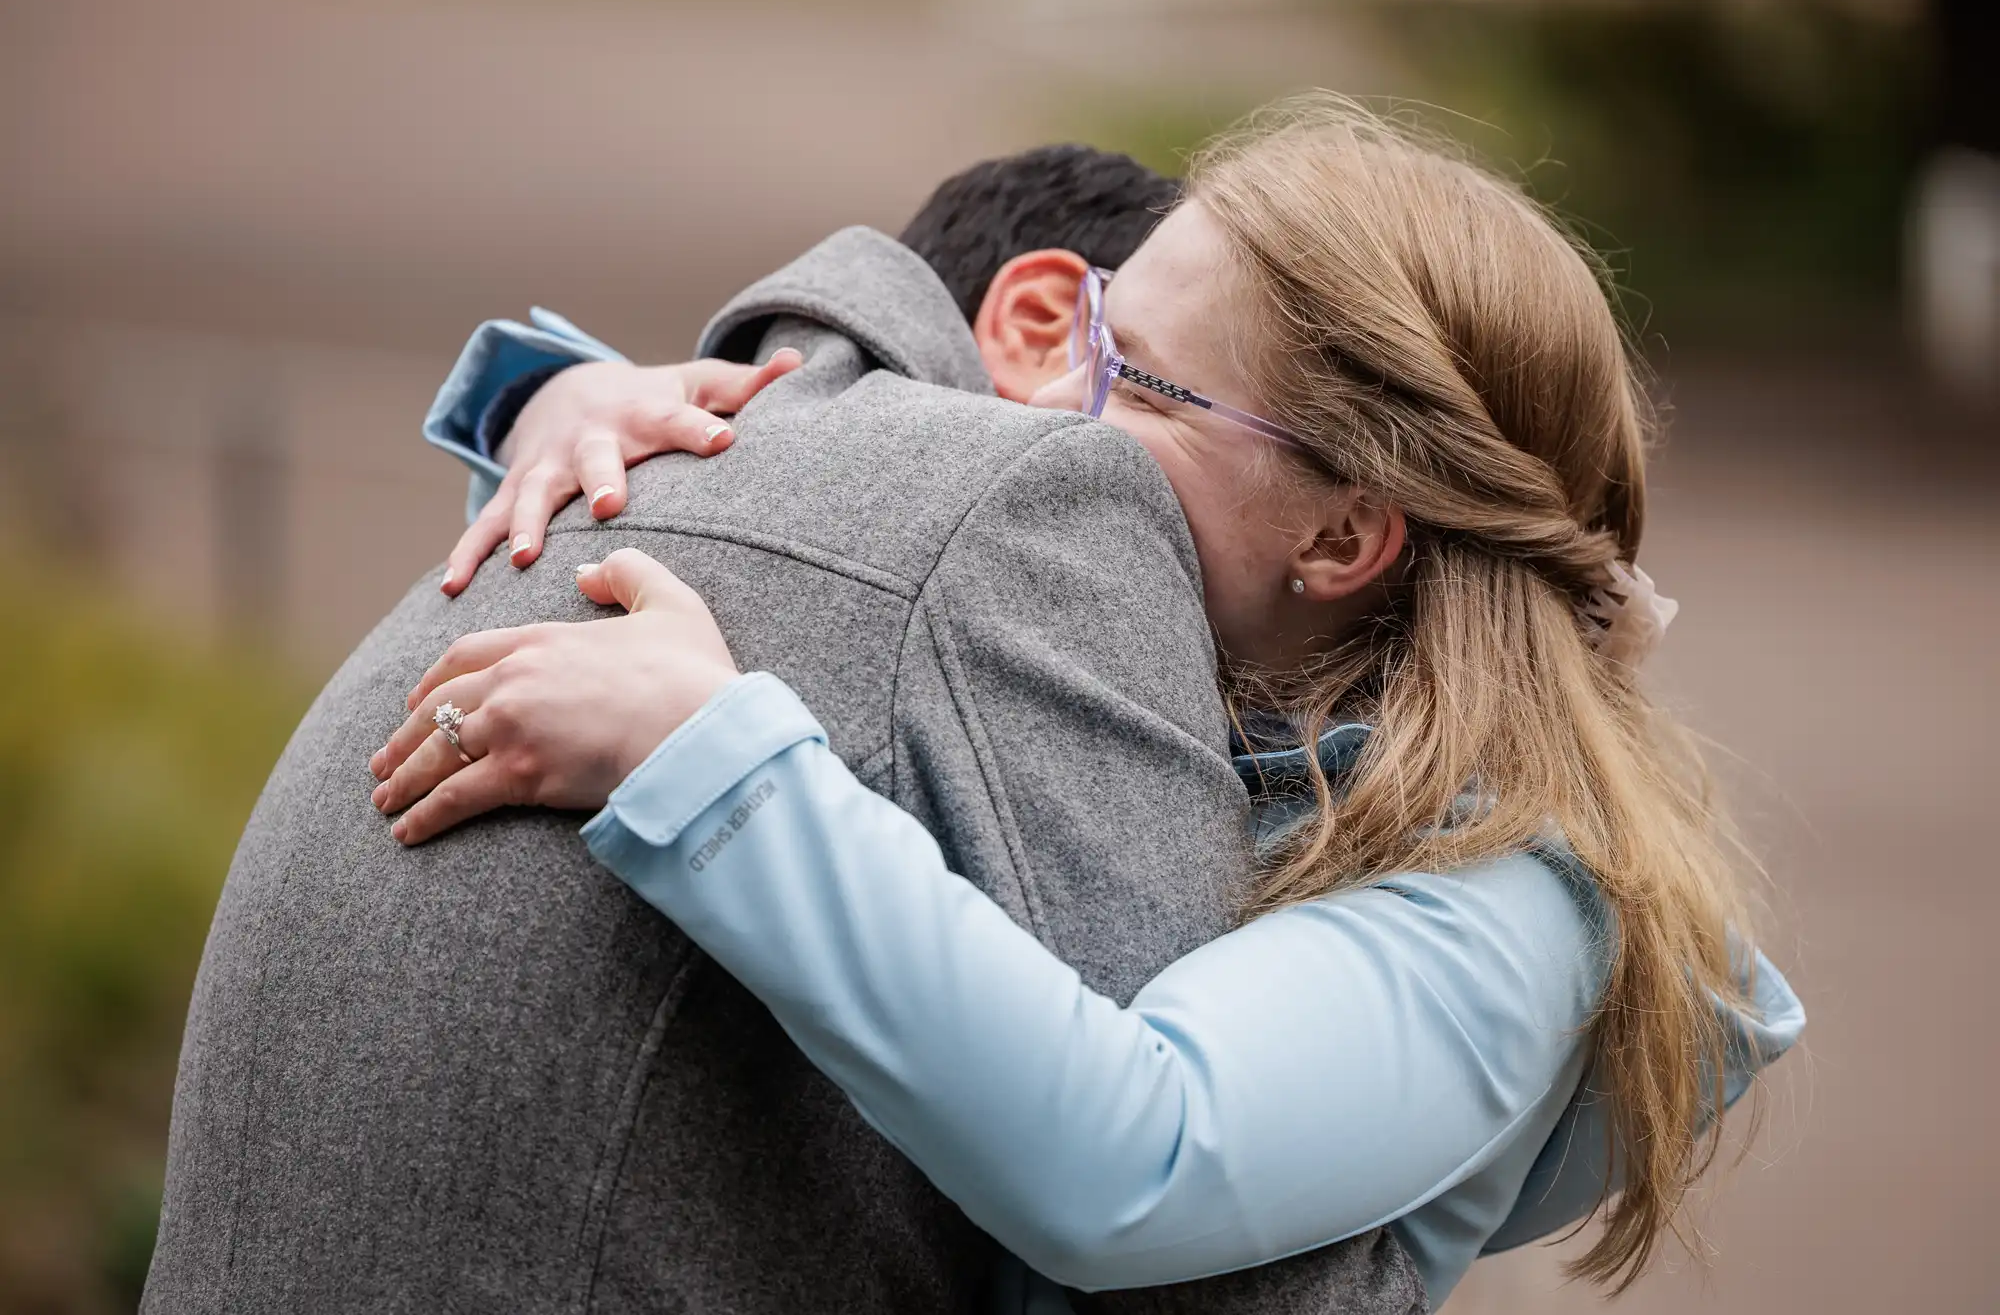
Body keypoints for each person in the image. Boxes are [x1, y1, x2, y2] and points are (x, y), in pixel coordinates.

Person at [374, 100, 1804, 1307]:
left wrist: (711, 763)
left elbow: (1134, 1160)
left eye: (1129, 379)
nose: (1043, 407)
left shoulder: (1505, 912)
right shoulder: (1221, 681)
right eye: (1091, 327)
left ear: (1338, 537)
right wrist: (572, 409)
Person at [144, 142, 1425, 1315]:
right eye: (1127, 356)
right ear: (1043, 328)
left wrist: (539, 387)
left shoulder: (629, 465)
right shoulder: (1045, 503)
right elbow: (1196, 1242)